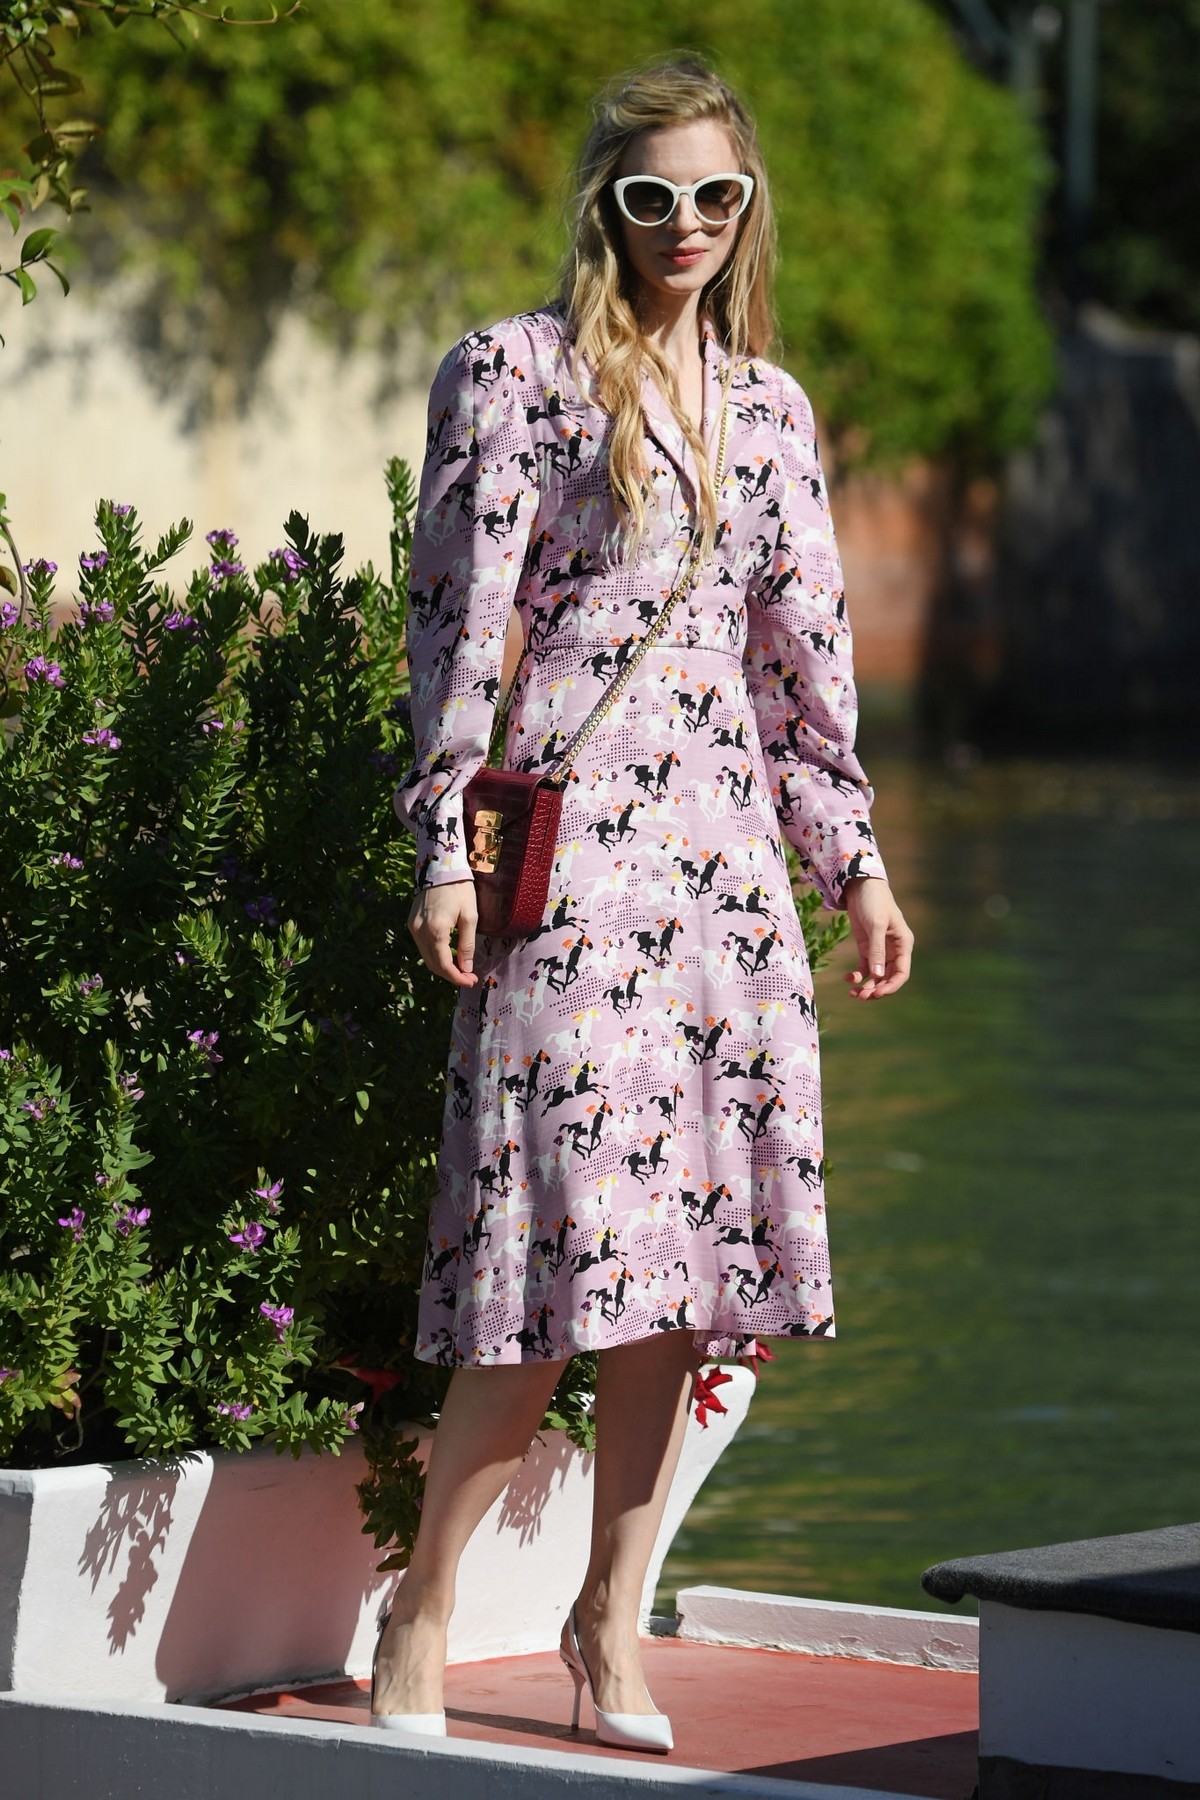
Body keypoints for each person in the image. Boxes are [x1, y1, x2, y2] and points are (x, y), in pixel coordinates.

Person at [384, 56, 914, 1751]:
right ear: (602, 204)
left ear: (748, 212)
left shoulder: (771, 411)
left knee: (676, 1283)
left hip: (724, 887)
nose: (684, 227)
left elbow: (799, 675)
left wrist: (860, 866)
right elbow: (456, 642)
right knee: (537, 1268)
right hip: (569, 874)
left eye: (715, 199)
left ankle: (610, 1632)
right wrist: (442, 850)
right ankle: (427, 1606)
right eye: (650, 196)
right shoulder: (513, 376)